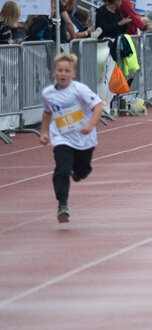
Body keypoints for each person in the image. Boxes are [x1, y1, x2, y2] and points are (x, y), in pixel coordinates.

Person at [39, 52, 105, 224]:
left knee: (83, 171)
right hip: (62, 137)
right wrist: (44, 132)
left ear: (73, 74)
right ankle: (62, 204)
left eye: (67, 71)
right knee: (62, 168)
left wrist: (90, 125)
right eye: (60, 70)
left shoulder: (79, 90)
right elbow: (47, 112)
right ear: (54, 73)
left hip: (84, 137)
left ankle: (78, 173)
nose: (63, 74)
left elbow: (98, 106)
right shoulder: (48, 93)